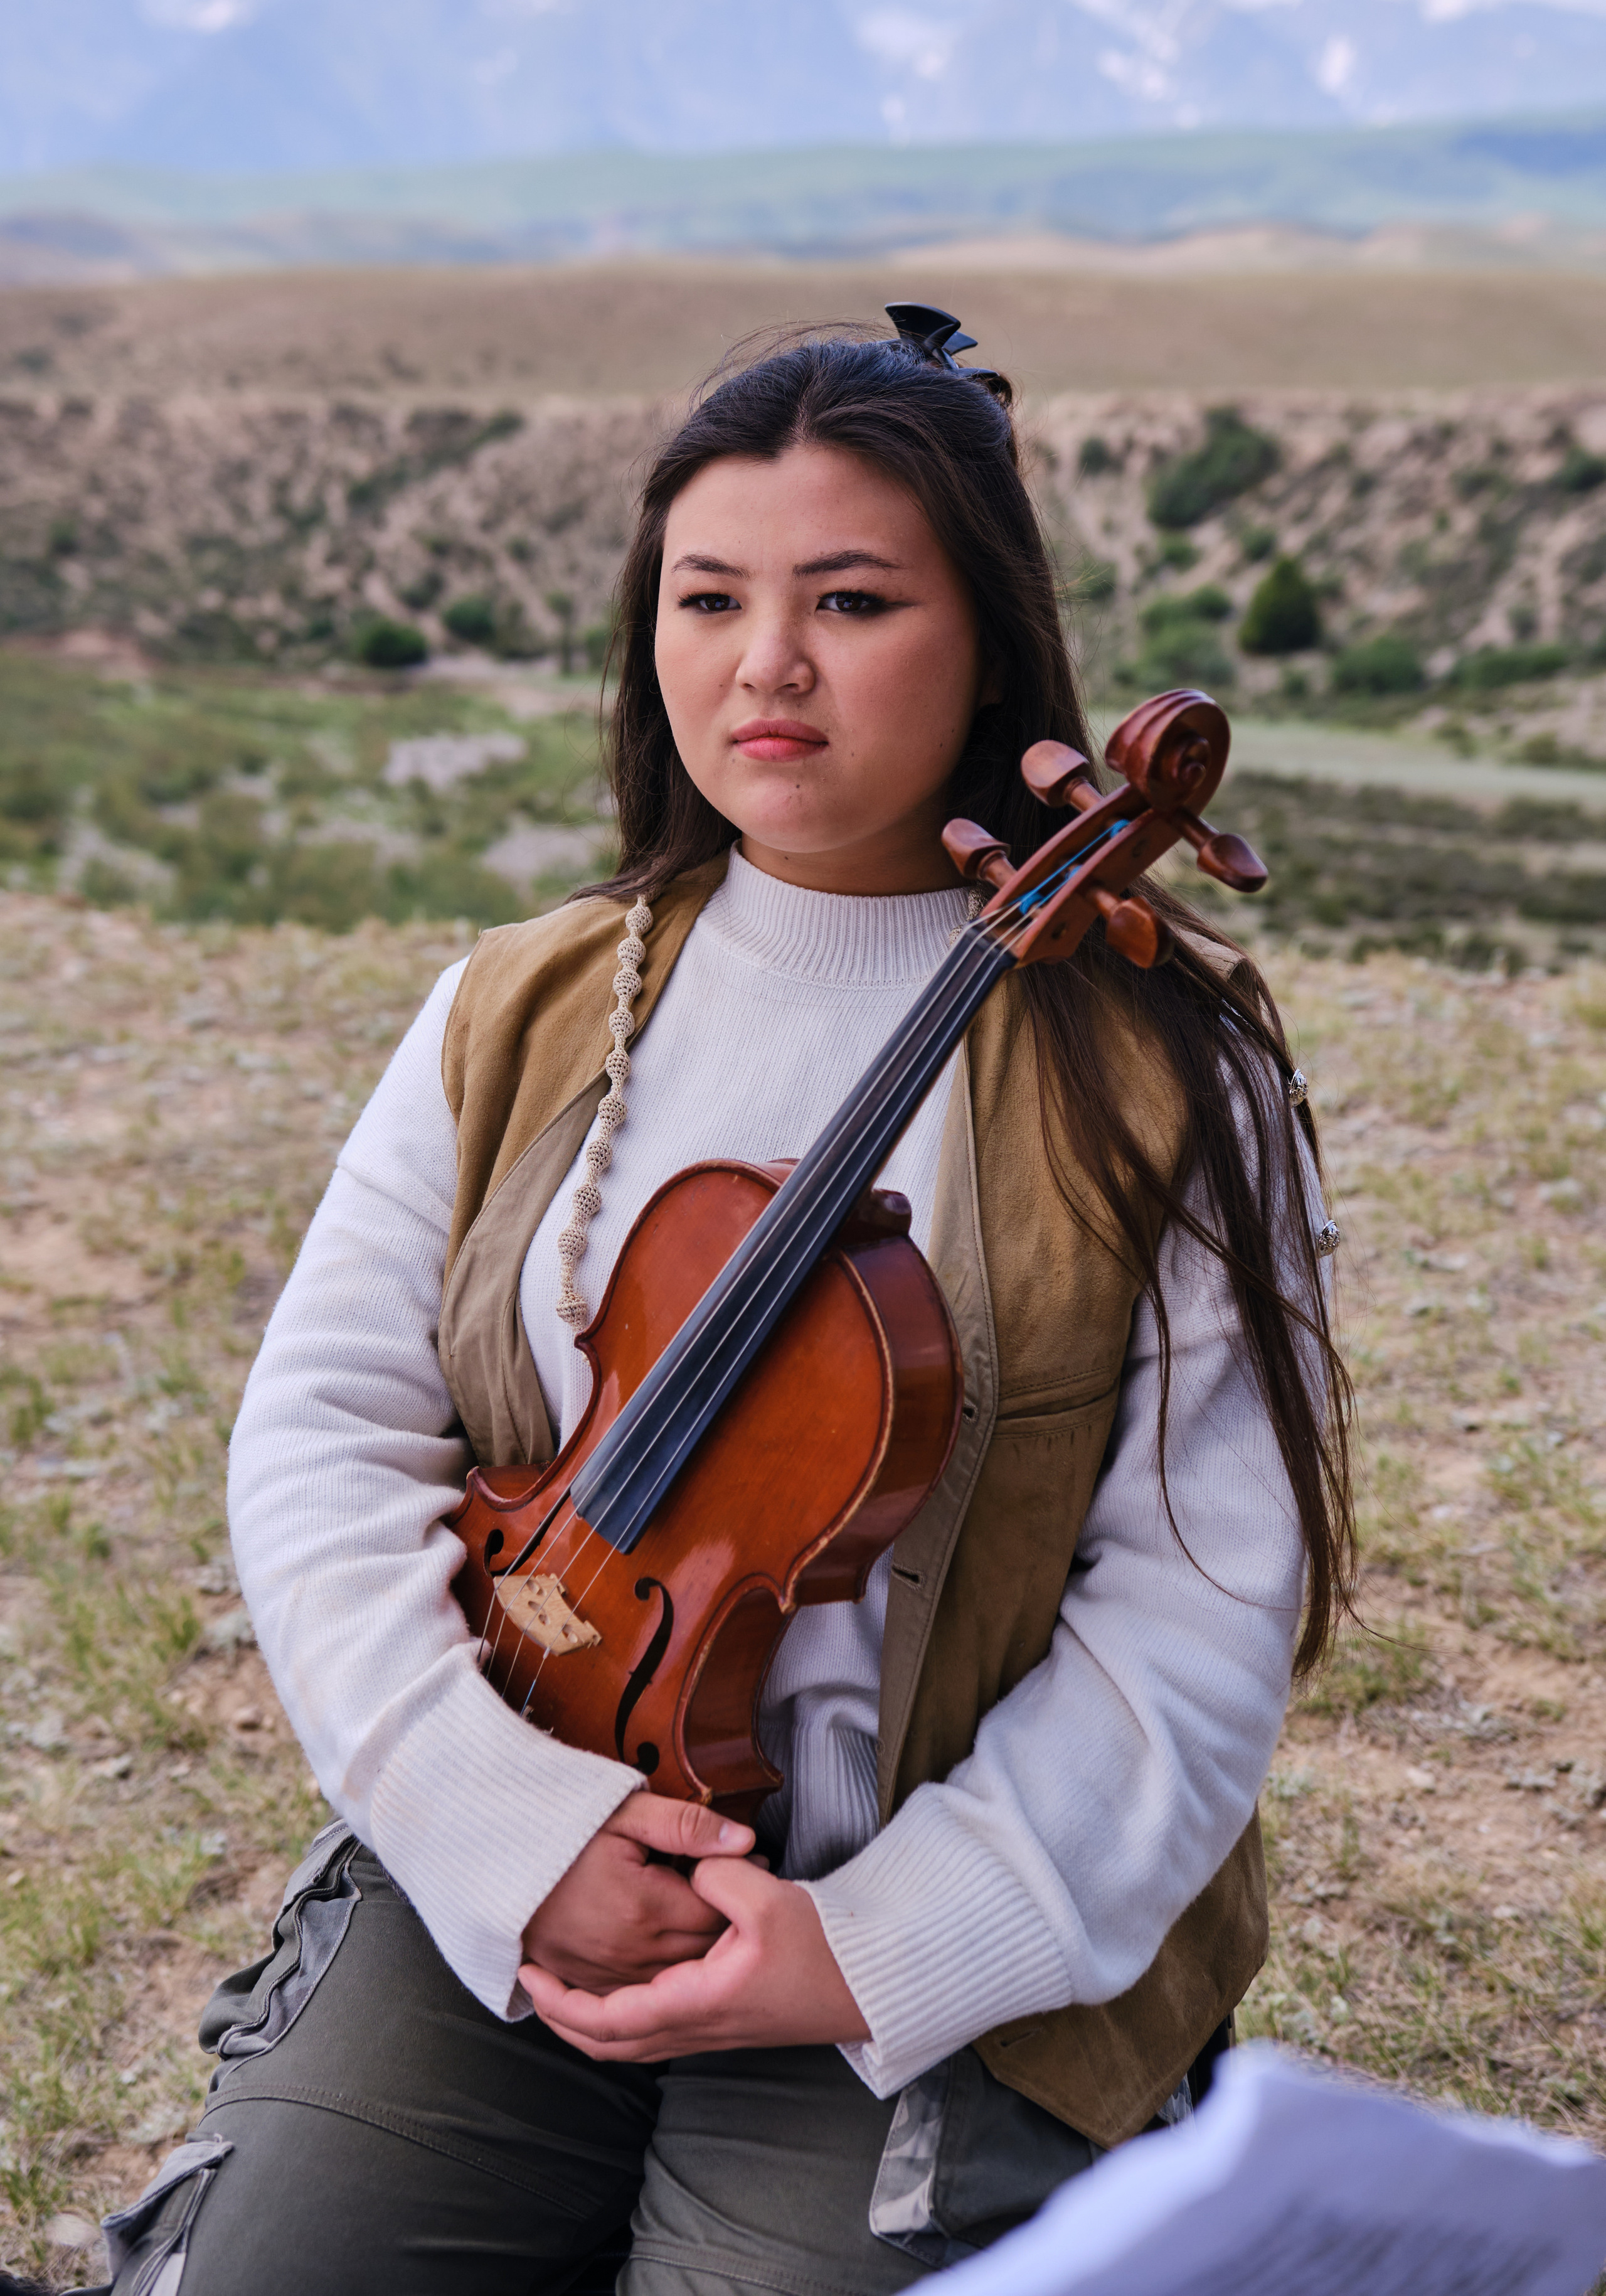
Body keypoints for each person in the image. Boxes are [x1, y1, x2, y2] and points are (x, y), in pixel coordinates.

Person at [97, 309, 1352, 2296]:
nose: (764, 664)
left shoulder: (1169, 1078)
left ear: (986, 637)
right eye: (709, 597)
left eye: (850, 599)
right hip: (530, 1842)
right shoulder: (522, 996)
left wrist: (874, 1942)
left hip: (934, 1942)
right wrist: (507, 1831)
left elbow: (1197, 1617)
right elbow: (322, 1443)